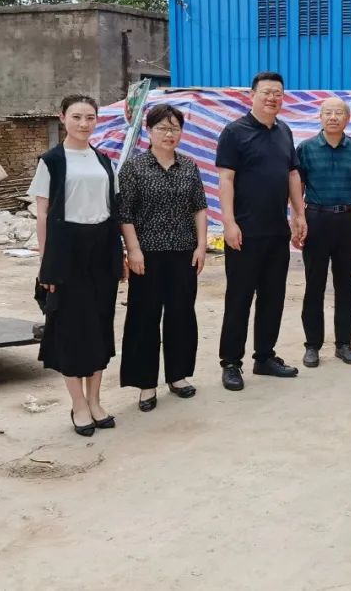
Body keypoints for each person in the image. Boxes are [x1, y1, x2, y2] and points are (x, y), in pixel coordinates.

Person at [29, 94, 123, 437]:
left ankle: (95, 400)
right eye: (77, 117)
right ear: (62, 117)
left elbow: (113, 208)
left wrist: (121, 254)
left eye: (90, 117)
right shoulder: (51, 161)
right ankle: (78, 405)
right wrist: (47, 265)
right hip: (66, 253)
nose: (84, 124)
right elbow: (42, 214)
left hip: (102, 250)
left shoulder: (104, 160)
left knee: (99, 325)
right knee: (70, 329)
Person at [215, 72, 307, 391]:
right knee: (239, 298)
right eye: (266, 92)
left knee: (273, 297)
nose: (272, 98)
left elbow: (292, 174)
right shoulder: (234, 132)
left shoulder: (284, 131)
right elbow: (226, 179)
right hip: (244, 232)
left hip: (276, 231)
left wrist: (299, 214)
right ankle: (231, 362)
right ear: (252, 95)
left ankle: (264, 357)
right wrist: (229, 222)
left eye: (278, 93)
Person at [118, 104, 209, 412]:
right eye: (162, 128)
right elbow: (125, 213)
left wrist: (201, 245)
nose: (169, 134)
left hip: (184, 252)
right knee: (144, 318)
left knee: (181, 315)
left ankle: (178, 375)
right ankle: (145, 383)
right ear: (149, 130)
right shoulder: (134, 168)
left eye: (175, 128)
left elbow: (199, 207)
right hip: (147, 255)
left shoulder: (189, 166)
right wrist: (133, 250)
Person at [295, 97, 351, 367]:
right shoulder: (306, 149)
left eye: (338, 113)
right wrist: (297, 220)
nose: (333, 117)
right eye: (327, 112)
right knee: (314, 285)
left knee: (345, 285)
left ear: (347, 119)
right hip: (316, 220)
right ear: (320, 117)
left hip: (347, 221)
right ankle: (312, 346)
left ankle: (344, 344)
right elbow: (298, 188)